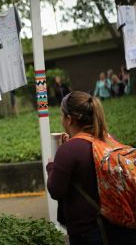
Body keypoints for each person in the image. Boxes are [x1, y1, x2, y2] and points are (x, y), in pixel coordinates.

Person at [46, 91, 136, 245]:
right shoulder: (108, 139)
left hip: (88, 232)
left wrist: (51, 166)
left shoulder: (68, 149)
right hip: (118, 228)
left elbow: (56, 190)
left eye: (62, 115)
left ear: (69, 119)